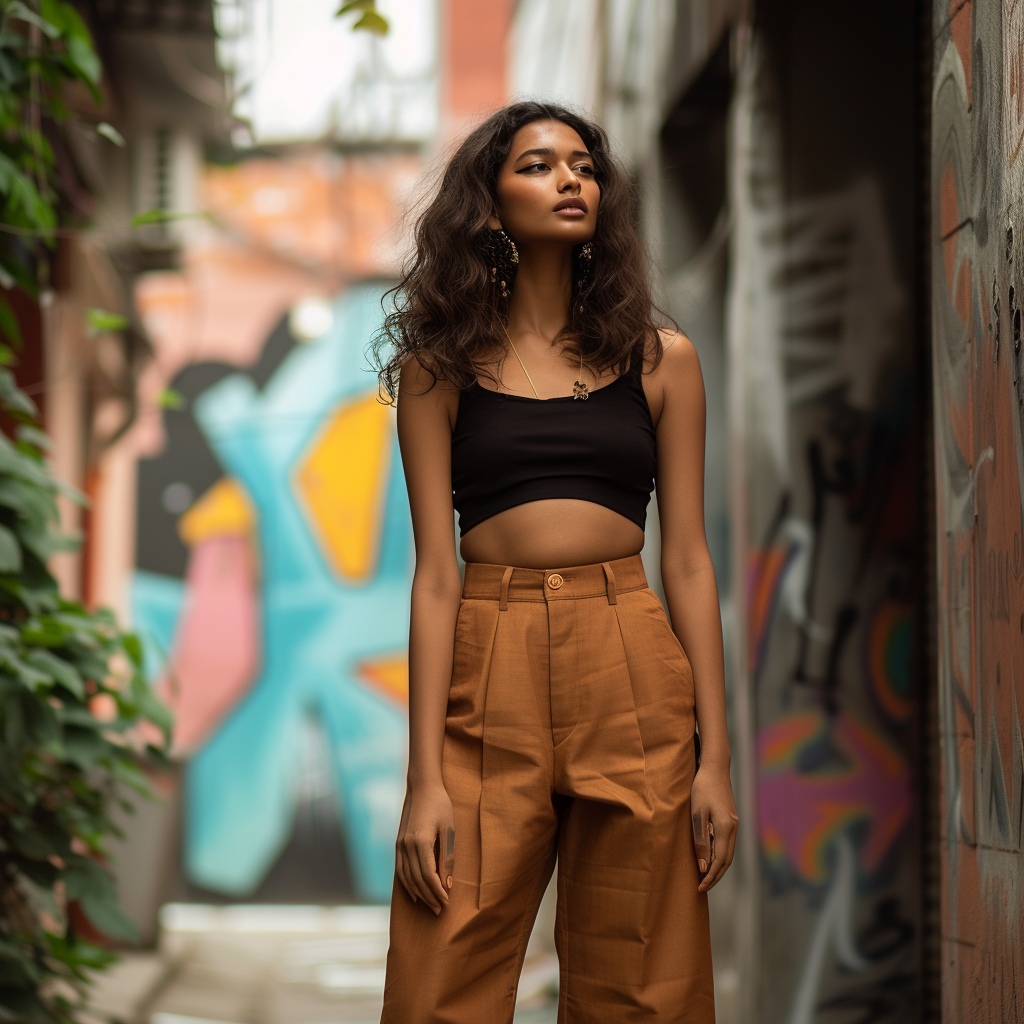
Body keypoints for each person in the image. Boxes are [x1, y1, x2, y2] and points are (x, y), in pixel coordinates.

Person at [374, 101, 737, 1023]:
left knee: (643, 981)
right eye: (538, 165)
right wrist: (424, 783)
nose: (570, 179)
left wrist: (717, 762)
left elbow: (689, 562)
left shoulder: (663, 361)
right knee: (440, 966)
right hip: (487, 657)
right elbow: (433, 578)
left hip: (629, 652)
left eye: (582, 166)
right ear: (488, 208)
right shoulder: (437, 369)